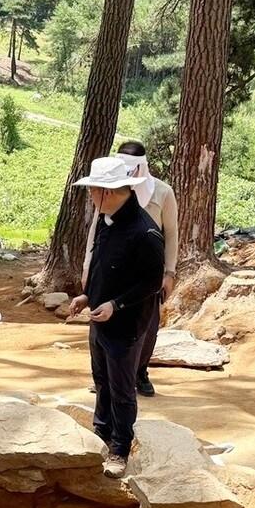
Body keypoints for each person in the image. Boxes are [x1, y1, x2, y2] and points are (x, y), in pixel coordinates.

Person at [68, 156, 165, 480]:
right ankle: (100, 433)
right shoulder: (107, 223)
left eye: (93, 192)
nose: (91, 198)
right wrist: (88, 297)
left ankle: (120, 448)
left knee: (122, 389)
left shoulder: (145, 232)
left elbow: (151, 283)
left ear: (106, 192)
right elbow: (101, 269)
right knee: (101, 381)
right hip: (100, 319)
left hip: (125, 325)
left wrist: (116, 305)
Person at [82, 139, 179, 397]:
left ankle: (139, 371)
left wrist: (169, 273)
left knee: (145, 326)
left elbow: (171, 233)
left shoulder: (162, 193)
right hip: (112, 269)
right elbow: (96, 231)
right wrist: (88, 270)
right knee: (102, 324)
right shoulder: (107, 195)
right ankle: (105, 376)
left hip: (146, 268)